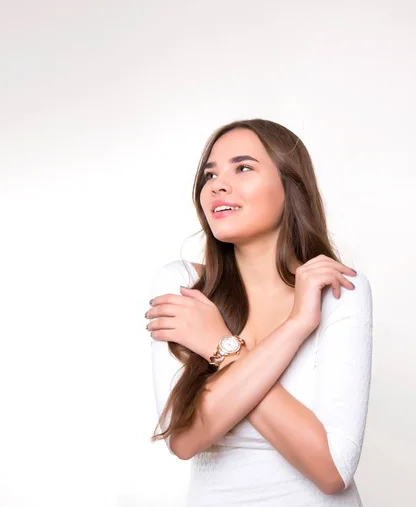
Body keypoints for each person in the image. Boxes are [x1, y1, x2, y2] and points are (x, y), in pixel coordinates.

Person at [145, 119, 373, 506]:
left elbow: (332, 471)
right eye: (210, 174)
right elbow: (183, 440)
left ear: (291, 186)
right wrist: (288, 332)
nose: (217, 184)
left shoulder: (336, 289)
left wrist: (226, 347)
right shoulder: (185, 288)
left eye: (243, 167)